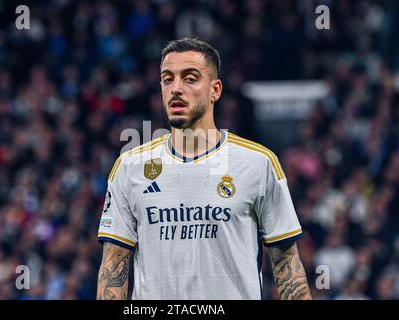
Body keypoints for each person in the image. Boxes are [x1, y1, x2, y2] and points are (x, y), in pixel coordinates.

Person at [96, 38, 311, 300]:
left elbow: (286, 266)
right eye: (167, 79)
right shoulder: (129, 167)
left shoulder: (258, 163)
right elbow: (113, 269)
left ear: (215, 90)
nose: (176, 89)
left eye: (190, 78)